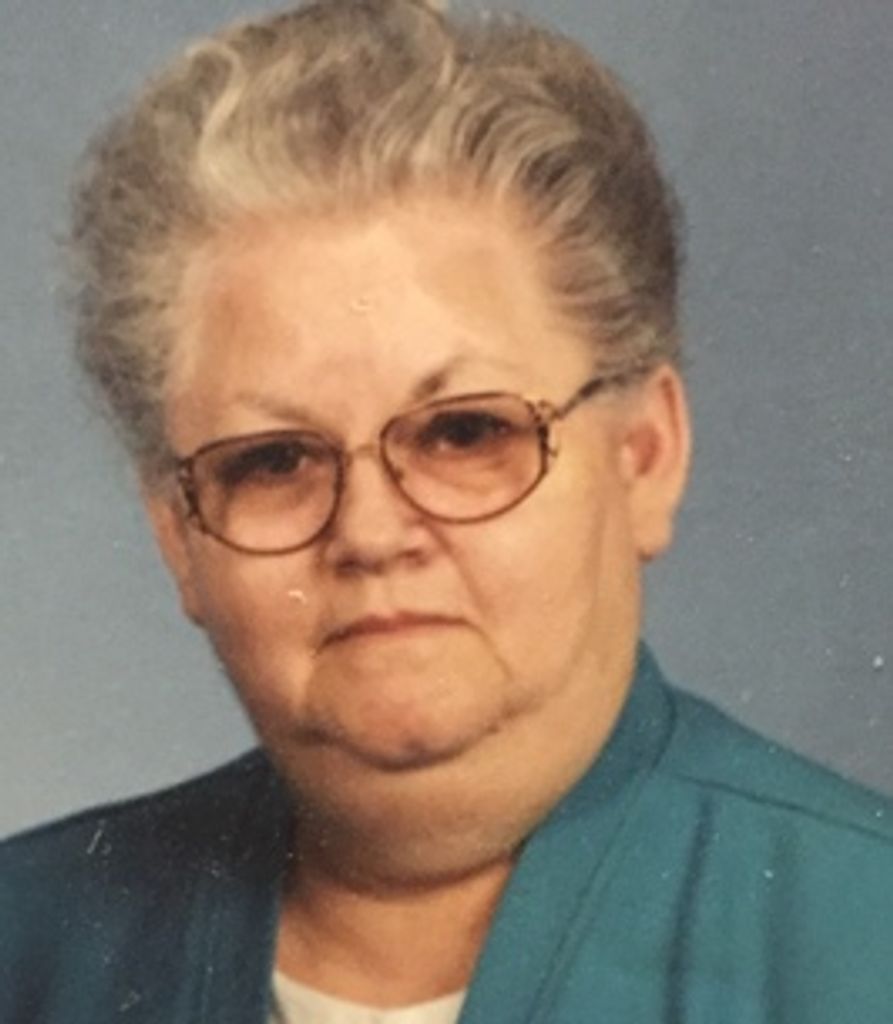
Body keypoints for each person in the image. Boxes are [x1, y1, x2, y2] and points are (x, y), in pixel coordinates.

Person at [1, 1, 891, 1021]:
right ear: (177, 533)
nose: (373, 535)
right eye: (276, 459)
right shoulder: (24, 944)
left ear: (643, 457)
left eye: (463, 433)